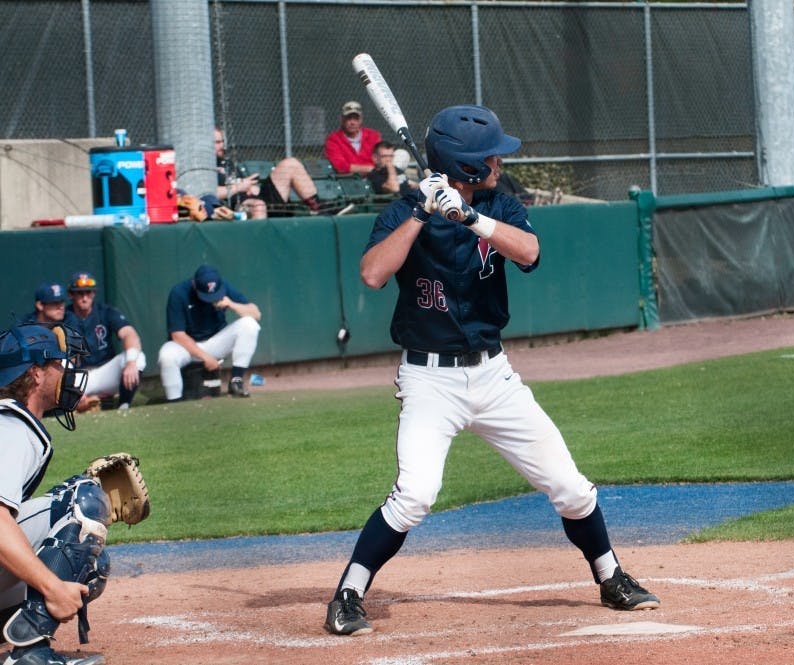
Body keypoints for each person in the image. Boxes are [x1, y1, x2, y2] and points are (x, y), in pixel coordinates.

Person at [323, 105, 659, 637]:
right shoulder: (407, 207)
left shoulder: (501, 203)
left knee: (569, 485)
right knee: (414, 495)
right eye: (491, 156)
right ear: (469, 166)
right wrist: (422, 212)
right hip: (429, 381)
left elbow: (529, 251)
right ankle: (348, 593)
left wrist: (469, 216)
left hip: (493, 377)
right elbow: (371, 274)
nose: (501, 161)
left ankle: (611, 576)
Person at [0, 323, 111, 665]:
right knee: (82, 501)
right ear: (35, 374)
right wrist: (51, 587)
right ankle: (29, 655)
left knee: (90, 560)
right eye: (59, 365)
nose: (67, 373)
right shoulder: (12, 428)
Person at [157, 264, 261, 401]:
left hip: (215, 343)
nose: (211, 299)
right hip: (187, 347)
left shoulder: (224, 287)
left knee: (250, 324)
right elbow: (177, 335)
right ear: (194, 284)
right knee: (166, 356)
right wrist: (205, 357)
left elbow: (256, 314)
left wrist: (232, 305)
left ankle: (236, 381)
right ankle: (175, 403)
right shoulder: (179, 292)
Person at [62, 271, 146, 412]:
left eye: (88, 293)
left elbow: (129, 334)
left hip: (105, 372)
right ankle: (84, 403)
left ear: (93, 294)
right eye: (79, 293)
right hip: (78, 377)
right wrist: (71, 386)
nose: (84, 297)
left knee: (138, 358)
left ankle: (123, 406)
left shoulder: (105, 311)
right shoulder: (64, 317)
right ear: (71, 295)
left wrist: (130, 363)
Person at [215, 127, 331, 219]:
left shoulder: (227, 162)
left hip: (256, 197)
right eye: (217, 142)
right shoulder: (205, 169)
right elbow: (211, 193)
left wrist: (250, 187)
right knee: (258, 205)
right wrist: (240, 187)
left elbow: (242, 183)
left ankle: (320, 210)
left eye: (222, 142)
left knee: (291, 164)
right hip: (237, 207)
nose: (223, 146)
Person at [324, 101, 381, 176]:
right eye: (349, 118)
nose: (352, 122)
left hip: (374, 177)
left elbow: (381, 159)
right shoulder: (333, 140)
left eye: (356, 119)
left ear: (361, 120)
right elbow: (341, 166)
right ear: (342, 120)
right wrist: (370, 169)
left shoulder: (373, 136)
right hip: (348, 180)